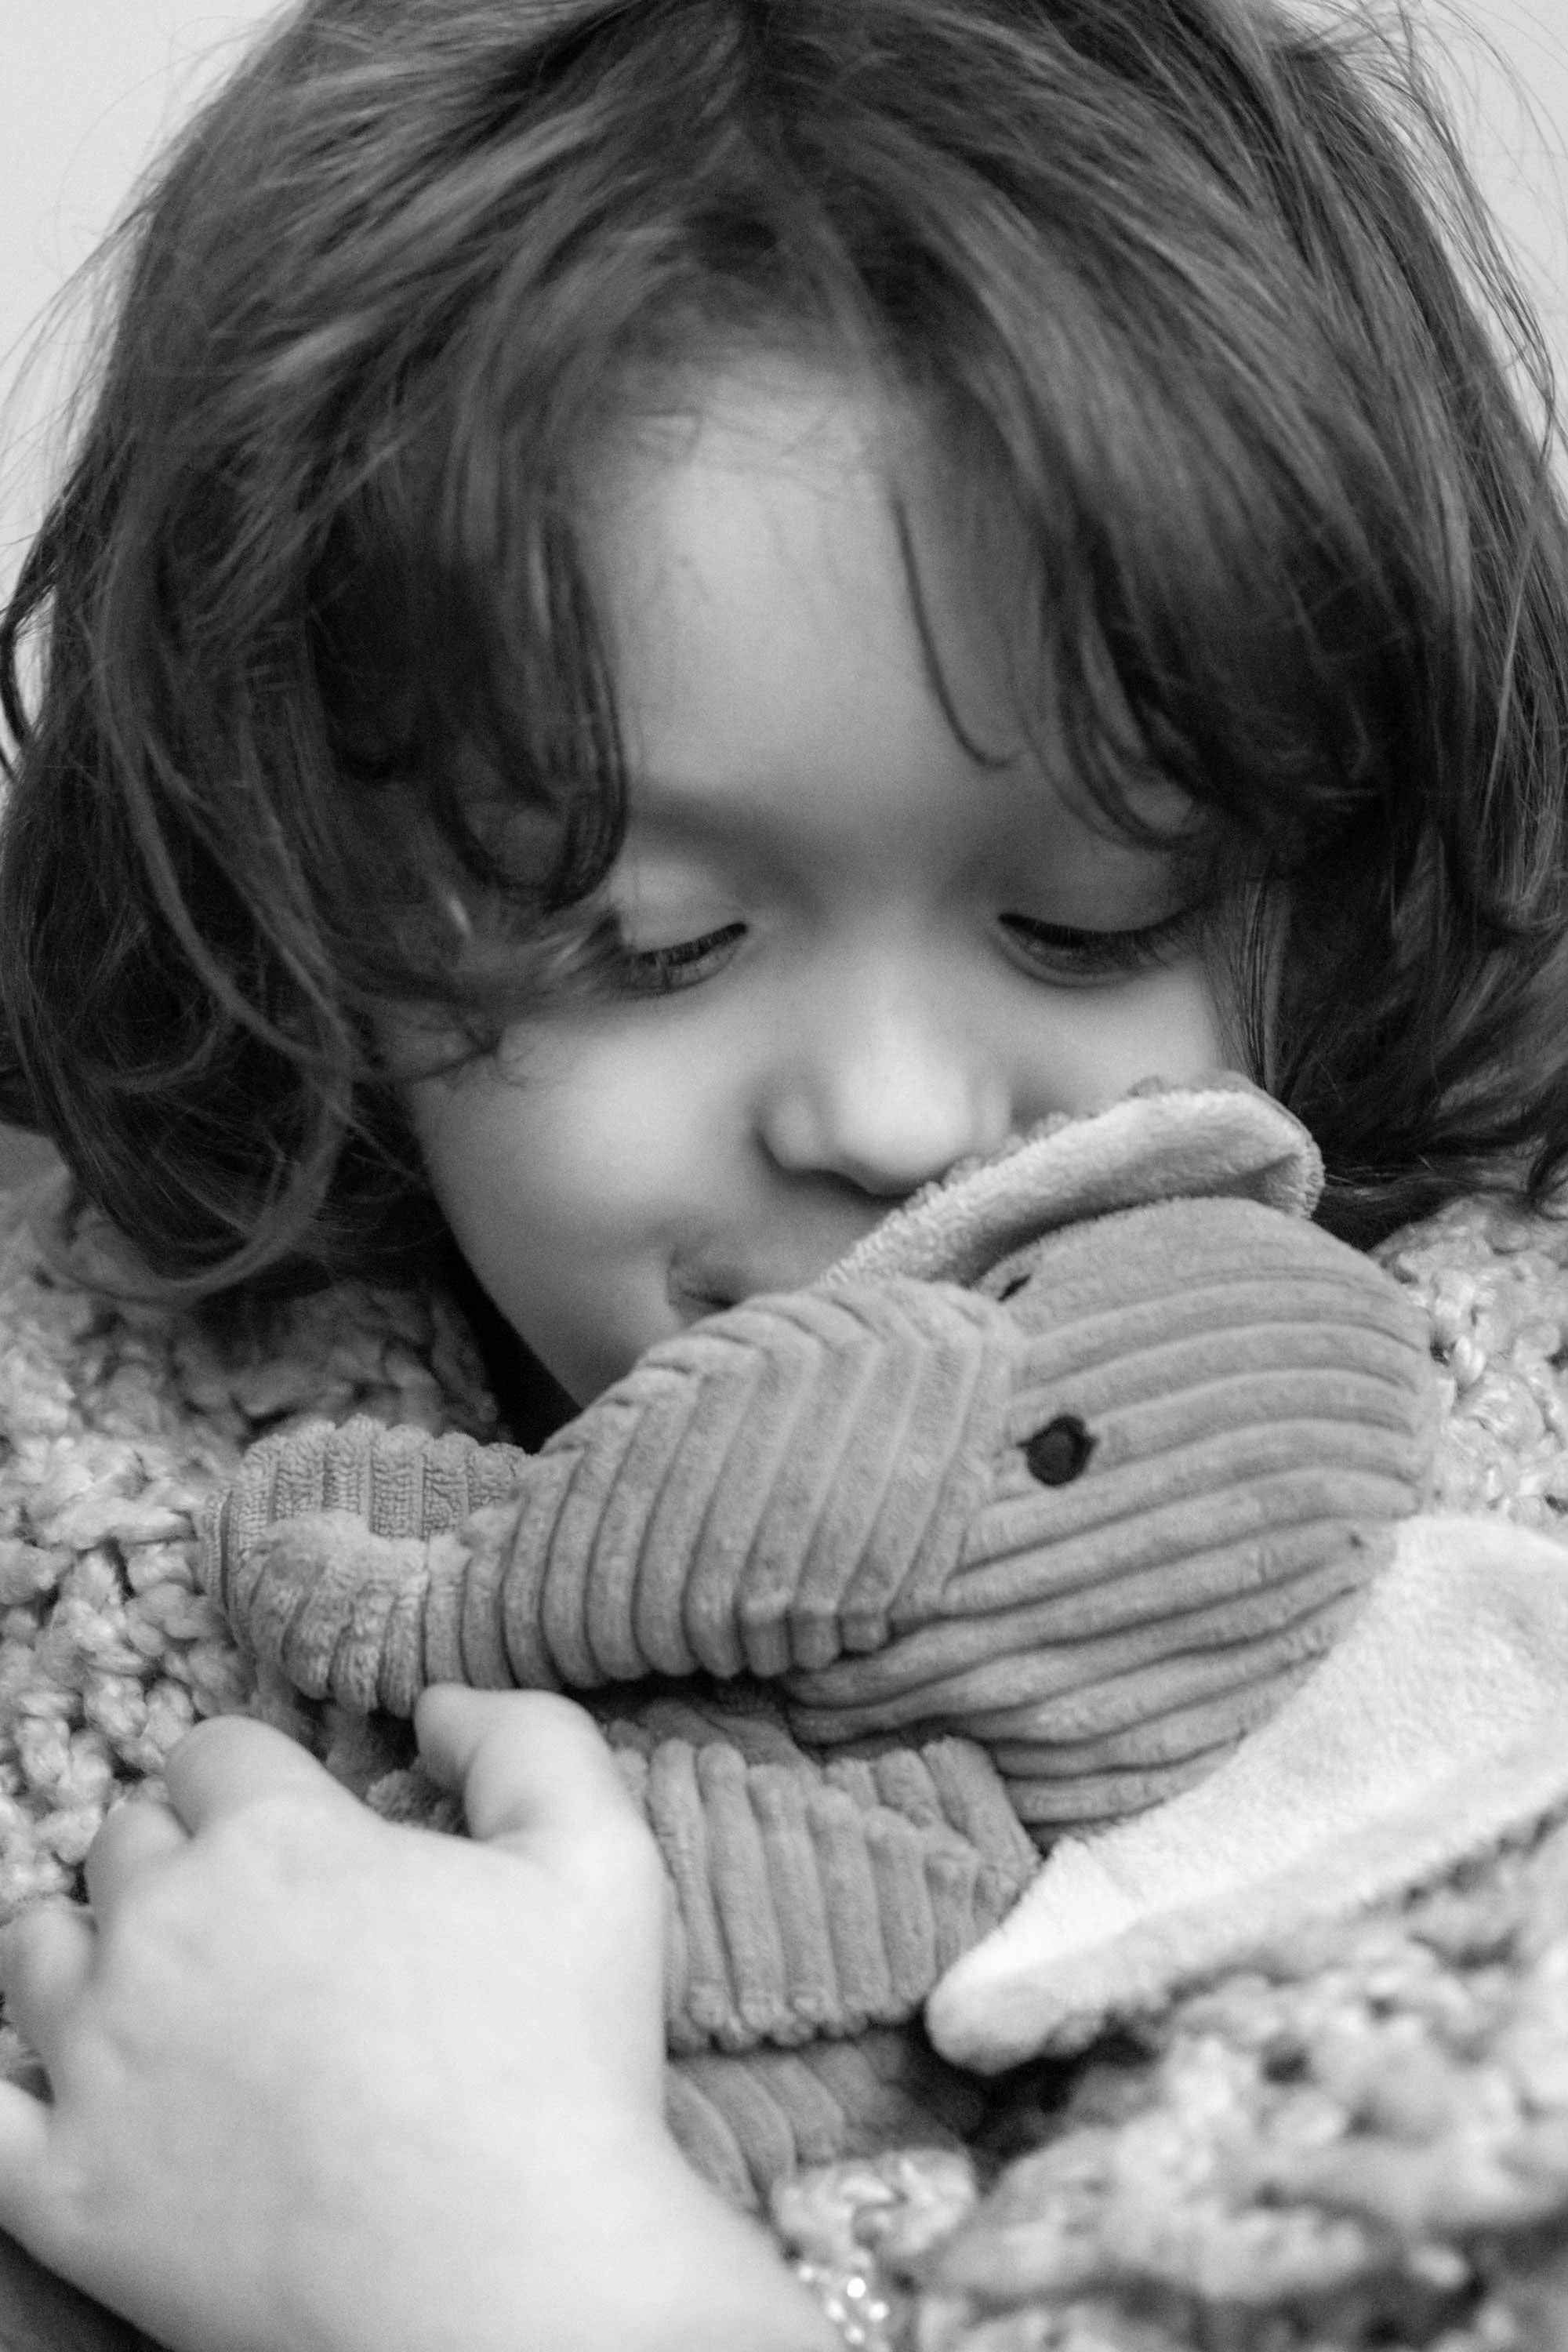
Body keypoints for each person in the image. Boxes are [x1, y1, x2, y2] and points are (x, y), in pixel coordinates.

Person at [1, 0, 1566, 2342]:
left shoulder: (1488, 1576)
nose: (899, 1114)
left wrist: (495, 2279)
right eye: (656, 942)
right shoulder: (90, 1532)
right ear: (293, 908)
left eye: (1093, 918)